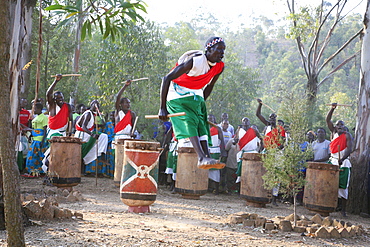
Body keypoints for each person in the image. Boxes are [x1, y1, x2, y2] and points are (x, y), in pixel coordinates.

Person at [158, 36, 226, 169]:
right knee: (189, 119)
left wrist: (201, 107)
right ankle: (201, 157)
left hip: (196, 93)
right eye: (219, 49)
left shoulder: (219, 67)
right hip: (176, 92)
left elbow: (210, 86)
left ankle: (207, 156)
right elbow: (166, 78)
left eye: (223, 50)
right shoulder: (196, 61)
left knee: (201, 122)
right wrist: (162, 108)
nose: (222, 53)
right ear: (209, 49)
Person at [42, 75, 73, 172]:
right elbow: (48, 94)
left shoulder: (67, 106)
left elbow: (71, 120)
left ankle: (55, 172)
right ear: (54, 99)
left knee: (61, 154)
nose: (60, 99)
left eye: (61, 97)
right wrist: (56, 81)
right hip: (53, 132)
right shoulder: (51, 106)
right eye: (57, 98)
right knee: (55, 152)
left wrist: (69, 133)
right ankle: (48, 169)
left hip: (63, 133)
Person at [326, 103, 353, 217]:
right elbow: (328, 120)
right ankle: (329, 207)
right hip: (333, 161)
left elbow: (349, 149)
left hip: (343, 163)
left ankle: (343, 210)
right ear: (335, 127)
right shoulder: (333, 133)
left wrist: (342, 159)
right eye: (338, 125)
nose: (340, 127)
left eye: (342, 125)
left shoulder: (347, 136)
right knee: (329, 184)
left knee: (342, 187)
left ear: (344, 127)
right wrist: (332, 109)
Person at [75, 100, 108, 174]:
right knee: (81, 154)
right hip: (82, 134)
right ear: (91, 105)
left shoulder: (93, 115)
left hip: (87, 134)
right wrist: (92, 134)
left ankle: (102, 154)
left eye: (98, 105)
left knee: (103, 136)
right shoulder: (88, 113)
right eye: (95, 104)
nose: (97, 106)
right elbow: (83, 126)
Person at [234, 117, 263, 183]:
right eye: (244, 120)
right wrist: (234, 141)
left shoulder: (254, 130)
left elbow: (261, 138)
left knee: (252, 170)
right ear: (242, 122)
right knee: (242, 170)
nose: (245, 122)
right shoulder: (239, 130)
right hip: (242, 153)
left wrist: (261, 148)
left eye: (247, 120)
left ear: (249, 122)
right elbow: (235, 140)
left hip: (252, 152)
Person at [24, 103, 48, 176]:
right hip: (35, 139)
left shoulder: (44, 118)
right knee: (33, 155)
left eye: (35, 109)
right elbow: (34, 129)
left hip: (39, 140)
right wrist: (31, 136)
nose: (33, 110)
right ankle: (33, 171)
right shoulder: (35, 117)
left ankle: (40, 171)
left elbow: (45, 130)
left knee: (38, 155)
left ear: (39, 109)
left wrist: (43, 141)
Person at [208, 114, 227, 195]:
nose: (210, 120)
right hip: (207, 150)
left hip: (215, 150)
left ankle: (216, 189)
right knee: (205, 169)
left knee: (215, 170)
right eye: (208, 119)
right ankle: (207, 188)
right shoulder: (203, 128)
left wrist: (223, 151)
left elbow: (222, 140)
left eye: (211, 119)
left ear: (214, 120)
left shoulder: (217, 128)